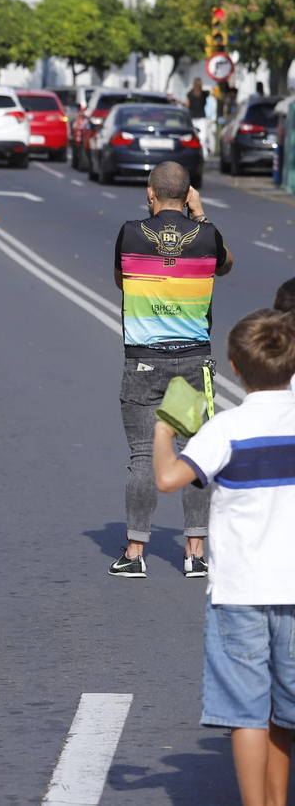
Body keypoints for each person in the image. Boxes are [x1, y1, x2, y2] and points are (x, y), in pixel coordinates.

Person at [150, 309, 295, 806]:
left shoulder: (227, 428)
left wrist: (166, 426)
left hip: (240, 594)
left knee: (247, 711)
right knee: (286, 711)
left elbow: (168, 479)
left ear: (234, 366)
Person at [108, 161, 233, 579]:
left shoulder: (129, 233)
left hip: (143, 361)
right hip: (193, 361)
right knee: (194, 455)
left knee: (143, 455)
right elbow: (226, 263)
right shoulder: (208, 237)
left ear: (150, 193)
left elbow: (121, 281)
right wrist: (200, 216)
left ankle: (135, 551)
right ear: (189, 194)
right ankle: (195, 553)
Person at [187, 77, 212, 158]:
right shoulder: (204, 94)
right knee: (203, 137)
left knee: (194, 137)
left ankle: (194, 154)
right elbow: (210, 93)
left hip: (193, 116)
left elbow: (187, 104)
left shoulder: (190, 93)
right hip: (201, 117)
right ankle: (204, 154)